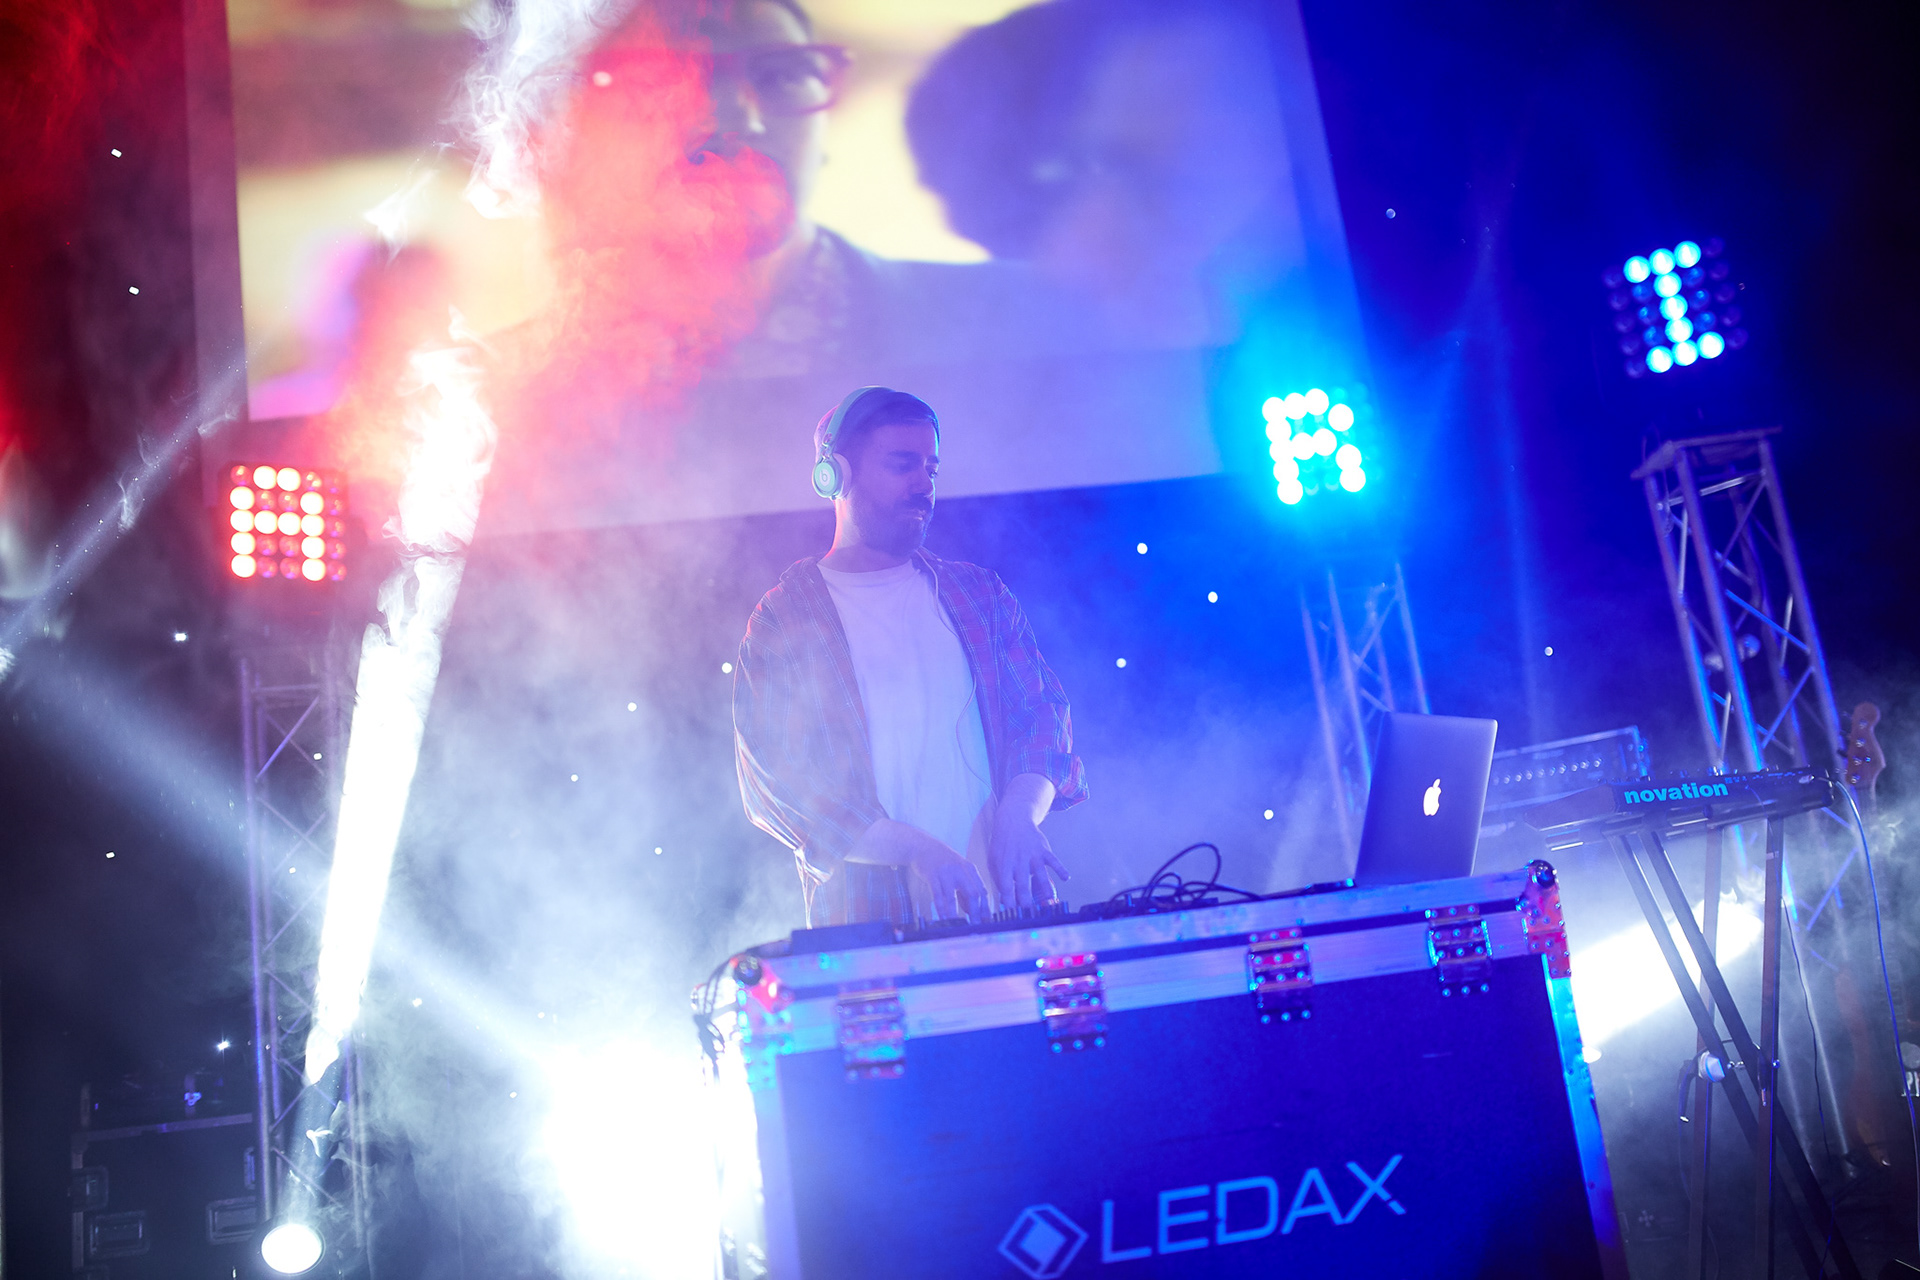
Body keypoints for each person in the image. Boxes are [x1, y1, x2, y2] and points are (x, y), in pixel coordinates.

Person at [731, 386, 1086, 926]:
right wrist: (916, 850)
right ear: (837, 476)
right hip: (873, 929)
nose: (924, 484)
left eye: (931, 468)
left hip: (1014, 917)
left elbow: (1042, 721)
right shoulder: (787, 618)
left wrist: (1020, 813)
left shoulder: (979, 596)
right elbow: (781, 782)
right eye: (902, 465)